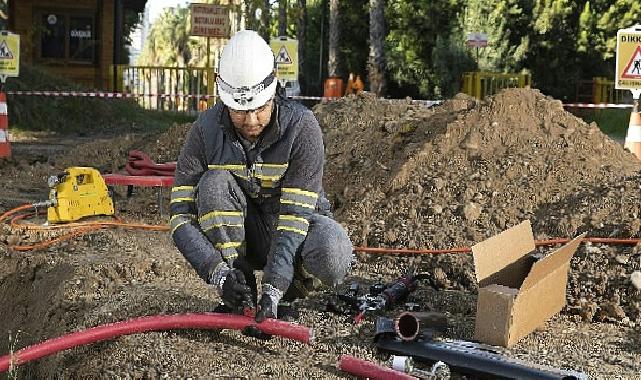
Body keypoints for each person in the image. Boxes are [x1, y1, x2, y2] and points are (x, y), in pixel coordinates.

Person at [169, 30, 353, 323]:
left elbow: (294, 217)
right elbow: (180, 216)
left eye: (260, 108)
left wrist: (274, 287)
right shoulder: (204, 131)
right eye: (240, 112)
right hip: (245, 236)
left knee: (333, 251)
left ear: (274, 89)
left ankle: (291, 289)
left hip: (296, 229)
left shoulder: (302, 129)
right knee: (213, 185)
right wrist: (219, 275)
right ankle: (239, 286)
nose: (251, 121)